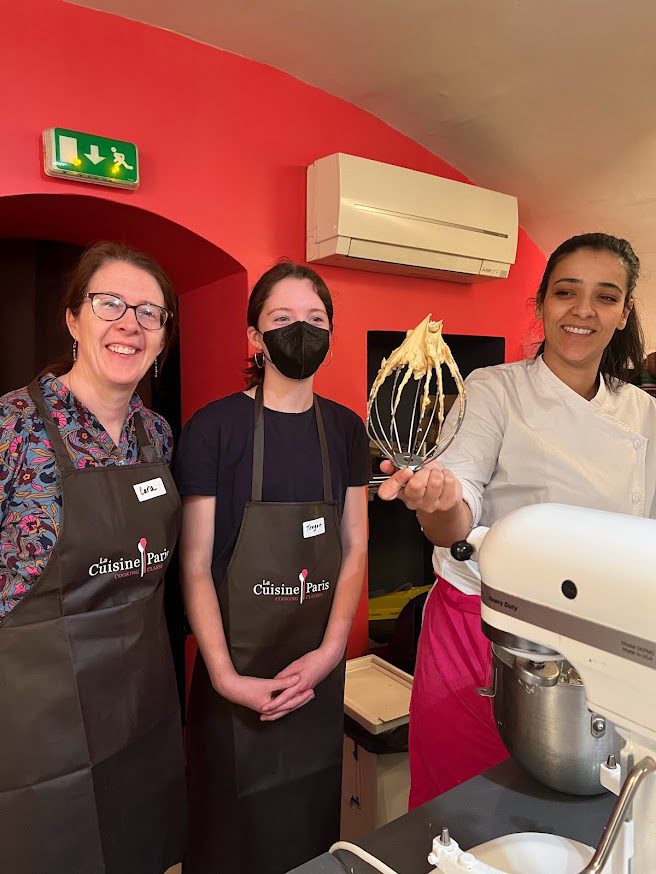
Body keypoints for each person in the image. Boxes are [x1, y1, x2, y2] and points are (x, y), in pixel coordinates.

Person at [378, 232, 656, 808]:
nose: (583, 311)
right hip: (481, 632)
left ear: (624, 312)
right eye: (566, 292)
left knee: (585, 816)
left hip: (595, 646)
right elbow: (458, 513)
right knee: (459, 811)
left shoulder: (644, 413)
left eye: (606, 297)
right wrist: (438, 501)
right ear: (541, 303)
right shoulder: (494, 391)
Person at [176, 261, 369, 873]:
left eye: (315, 319)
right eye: (282, 319)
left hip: (314, 673)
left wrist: (331, 651)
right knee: (228, 837)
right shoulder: (214, 428)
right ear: (255, 337)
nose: (300, 331)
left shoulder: (345, 430)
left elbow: (356, 546)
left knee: (307, 832)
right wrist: (227, 678)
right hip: (231, 678)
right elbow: (197, 564)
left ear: (331, 332)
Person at [0, 242, 186, 873]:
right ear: (73, 318)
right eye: (110, 304)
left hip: (139, 711)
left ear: (162, 339)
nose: (129, 324)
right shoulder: (12, 429)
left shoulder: (156, 436)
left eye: (149, 312)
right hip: (35, 724)